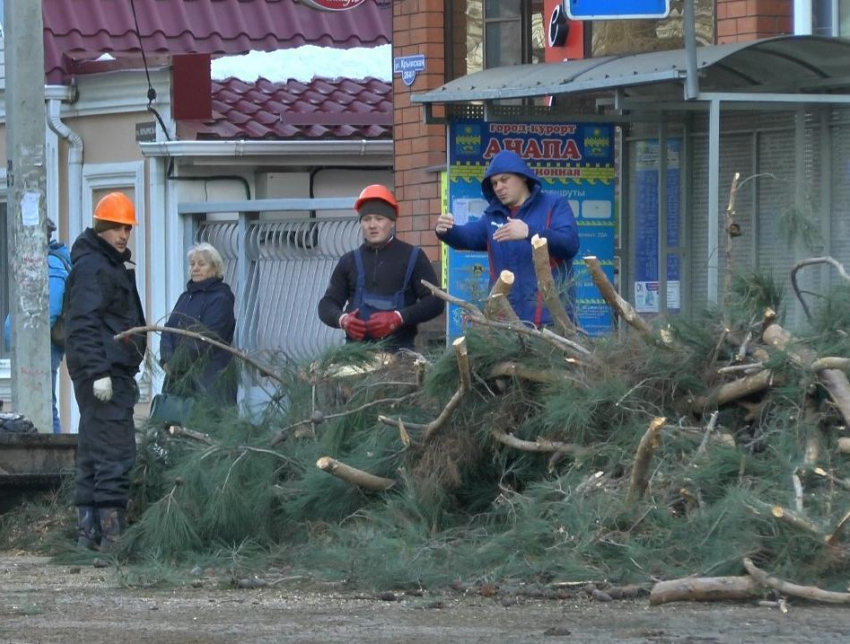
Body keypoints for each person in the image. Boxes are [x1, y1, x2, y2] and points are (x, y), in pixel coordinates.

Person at [65, 192, 147, 552]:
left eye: (126, 228)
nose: (123, 234)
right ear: (100, 228)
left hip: (108, 372)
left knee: (94, 451)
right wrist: (99, 372)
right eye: (116, 227)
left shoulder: (105, 264)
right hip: (104, 374)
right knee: (115, 452)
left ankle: (89, 535)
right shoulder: (95, 267)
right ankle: (113, 538)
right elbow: (81, 324)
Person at [435, 149, 580, 327]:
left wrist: (529, 232)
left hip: (551, 321)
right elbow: (468, 237)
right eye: (494, 183)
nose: (499, 187)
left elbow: (570, 244)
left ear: (524, 177)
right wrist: (446, 230)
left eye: (504, 180)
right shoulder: (493, 216)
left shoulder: (553, 203)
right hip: (505, 323)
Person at [318, 184, 444, 352]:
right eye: (366, 219)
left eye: (379, 218)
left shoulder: (413, 256)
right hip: (356, 357)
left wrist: (399, 318)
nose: (372, 225)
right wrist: (342, 319)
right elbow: (327, 304)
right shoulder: (349, 261)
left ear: (392, 222)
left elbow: (435, 301)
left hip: (401, 356)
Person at [3, 218, 72, 434]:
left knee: (44, 407)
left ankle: (55, 462)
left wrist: (31, 343)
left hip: (41, 346)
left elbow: (49, 308)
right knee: (38, 406)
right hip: (34, 345)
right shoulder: (35, 262)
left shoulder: (49, 263)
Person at [159, 243, 237, 406]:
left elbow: (205, 338)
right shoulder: (185, 297)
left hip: (209, 381)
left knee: (206, 427)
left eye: (201, 264)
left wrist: (176, 364)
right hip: (178, 379)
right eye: (193, 264)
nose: (195, 268)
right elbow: (168, 330)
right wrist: (166, 359)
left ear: (215, 269)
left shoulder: (221, 299)